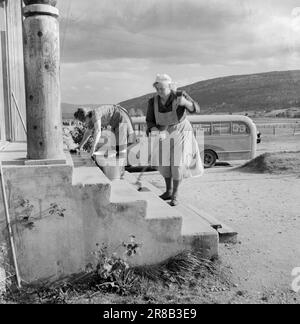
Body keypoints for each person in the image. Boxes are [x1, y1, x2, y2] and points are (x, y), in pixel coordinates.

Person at [146, 74, 204, 206]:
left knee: (177, 163)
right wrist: (154, 129)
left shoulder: (180, 95)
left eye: (162, 88)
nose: (160, 91)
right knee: (165, 164)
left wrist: (186, 103)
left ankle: (175, 195)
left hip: (181, 131)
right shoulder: (152, 102)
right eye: (157, 88)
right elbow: (149, 120)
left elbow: (197, 109)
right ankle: (168, 191)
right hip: (163, 132)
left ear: (169, 87)